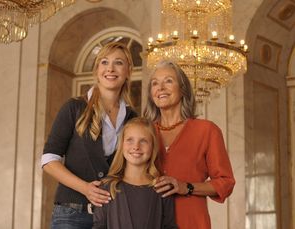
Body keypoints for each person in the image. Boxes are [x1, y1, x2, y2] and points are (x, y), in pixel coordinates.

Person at [41, 42, 137, 229]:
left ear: (128, 71)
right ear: (96, 70)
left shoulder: (133, 117)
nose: (110, 68)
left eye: (118, 62)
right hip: (71, 214)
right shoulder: (74, 107)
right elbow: (49, 160)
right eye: (104, 62)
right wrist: (85, 188)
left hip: (113, 215)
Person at [144, 59, 236, 229]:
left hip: (191, 221)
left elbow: (226, 182)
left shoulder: (206, 130)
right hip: (149, 219)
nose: (160, 88)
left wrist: (186, 187)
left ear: (183, 90)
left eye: (168, 81)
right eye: (155, 83)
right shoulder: (144, 133)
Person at [92, 117, 178, 229]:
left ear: (153, 147)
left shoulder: (162, 188)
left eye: (143, 141)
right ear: (122, 145)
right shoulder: (108, 187)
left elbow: (169, 226)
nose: (136, 147)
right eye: (130, 140)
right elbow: (99, 226)